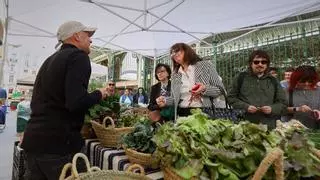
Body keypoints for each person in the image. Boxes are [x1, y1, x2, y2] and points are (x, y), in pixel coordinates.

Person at [21, 21, 111, 180]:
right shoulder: (79, 57)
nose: (91, 40)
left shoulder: (50, 60)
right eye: (87, 36)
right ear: (76, 36)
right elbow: (76, 103)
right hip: (59, 147)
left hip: (33, 143)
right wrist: (99, 93)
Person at [156, 42, 224, 120]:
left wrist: (204, 88)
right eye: (172, 53)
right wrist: (165, 100)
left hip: (204, 112)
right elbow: (175, 99)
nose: (174, 54)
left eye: (178, 51)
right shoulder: (175, 75)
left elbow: (220, 89)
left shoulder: (206, 65)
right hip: (182, 114)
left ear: (187, 51)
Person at [227, 50, 287, 129]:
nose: (260, 64)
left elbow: (282, 103)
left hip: (268, 126)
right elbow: (231, 97)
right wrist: (246, 107)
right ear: (251, 63)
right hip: (244, 125)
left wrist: (272, 109)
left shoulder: (273, 81)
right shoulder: (241, 78)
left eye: (263, 62)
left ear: (267, 64)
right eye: (256, 62)